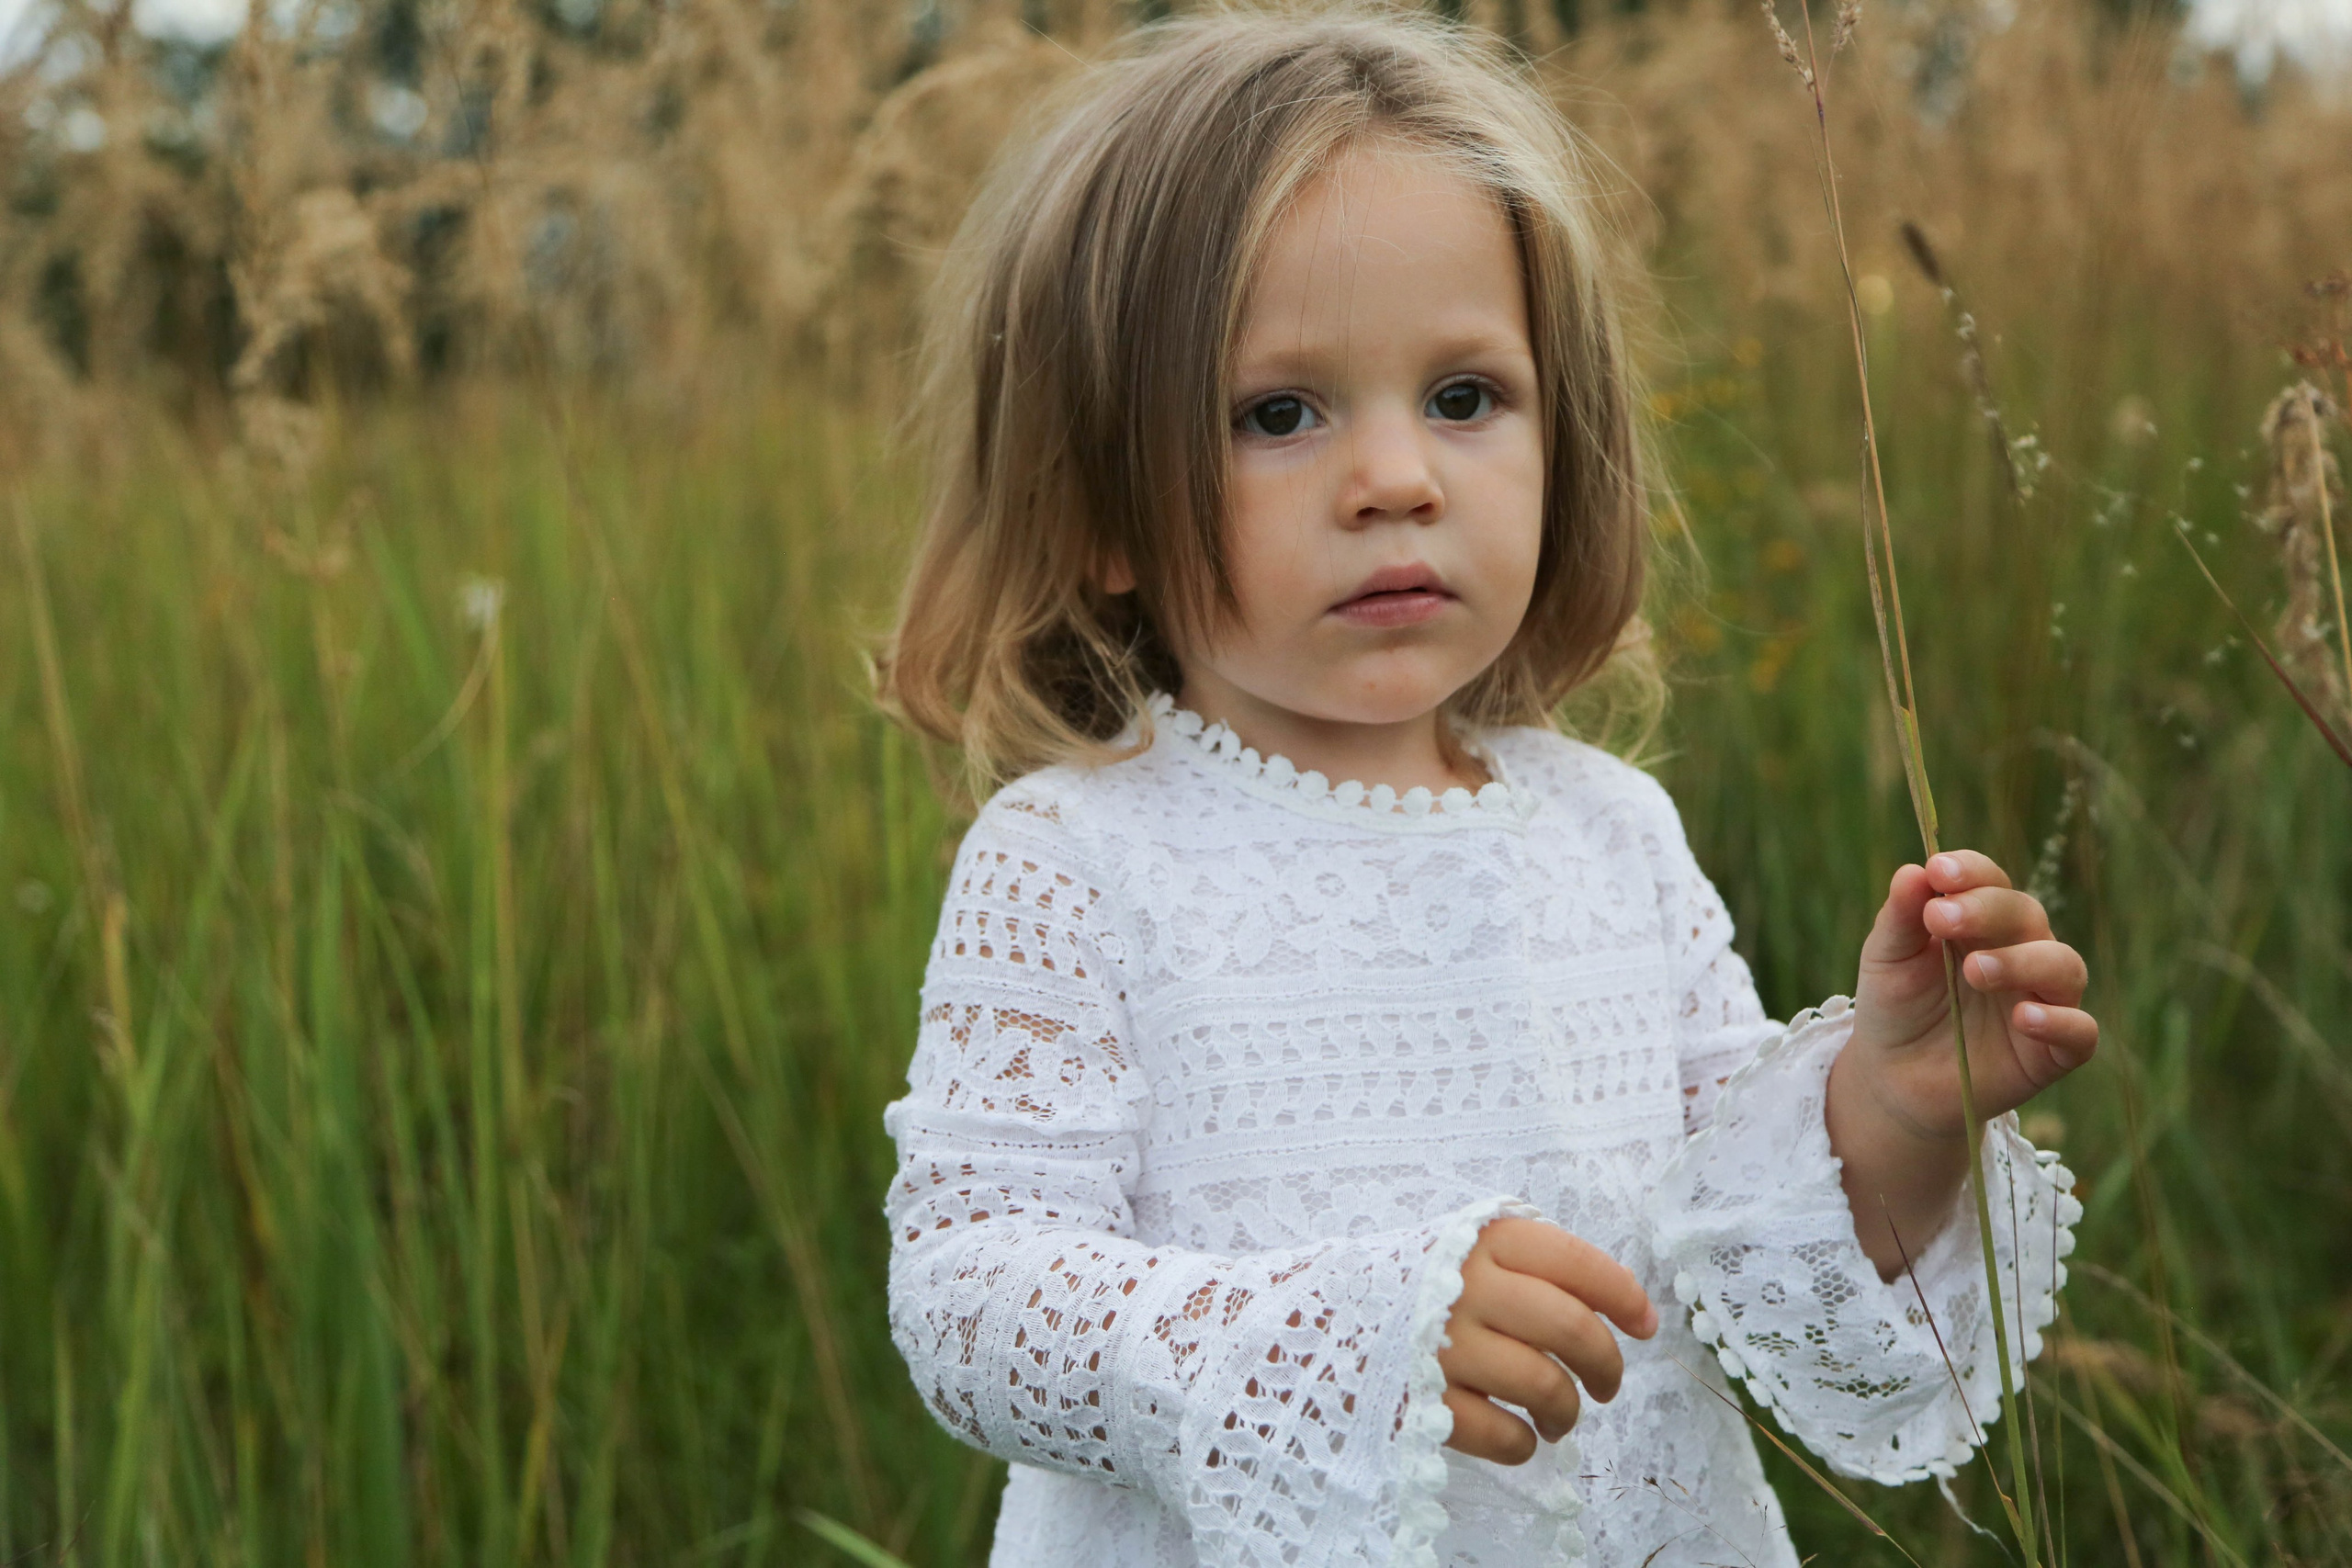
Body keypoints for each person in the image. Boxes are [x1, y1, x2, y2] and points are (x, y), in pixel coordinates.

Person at [874, 8, 2093, 1565]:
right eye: (1279, 413)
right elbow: (973, 1298)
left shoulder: (1607, 832)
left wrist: (1896, 1118)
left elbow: (1740, 1243)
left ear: (1559, 431)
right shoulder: (1076, 858)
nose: (1399, 477)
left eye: (1464, 396)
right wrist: (1351, 1341)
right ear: (1101, 504)